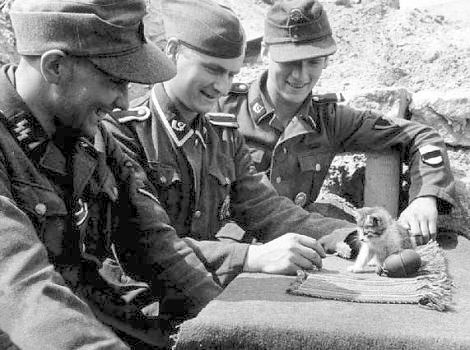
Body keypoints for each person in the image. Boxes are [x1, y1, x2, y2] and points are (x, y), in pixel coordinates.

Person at [0, 0, 224, 349]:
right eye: (116, 82)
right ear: (55, 66)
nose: (123, 101)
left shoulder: (92, 134)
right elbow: (22, 290)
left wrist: (226, 325)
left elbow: (158, 244)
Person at [103, 0, 357, 302]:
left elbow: (268, 211)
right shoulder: (122, 132)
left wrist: (351, 235)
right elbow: (148, 246)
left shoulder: (222, 135)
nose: (222, 87)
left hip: (206, 293)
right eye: (212, 70)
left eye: (232, 75)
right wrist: (252, 257)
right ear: (172, 51)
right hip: (143, 307)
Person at [217, 0, 455, 249]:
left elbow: (420, 136)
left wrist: (425, 197)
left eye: (313, 62)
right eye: (289, 61)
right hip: (235, 254)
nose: (300, 75)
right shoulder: (221, 111)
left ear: (327, 61)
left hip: (302, 248)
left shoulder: (328, 120)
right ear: (265, 51)